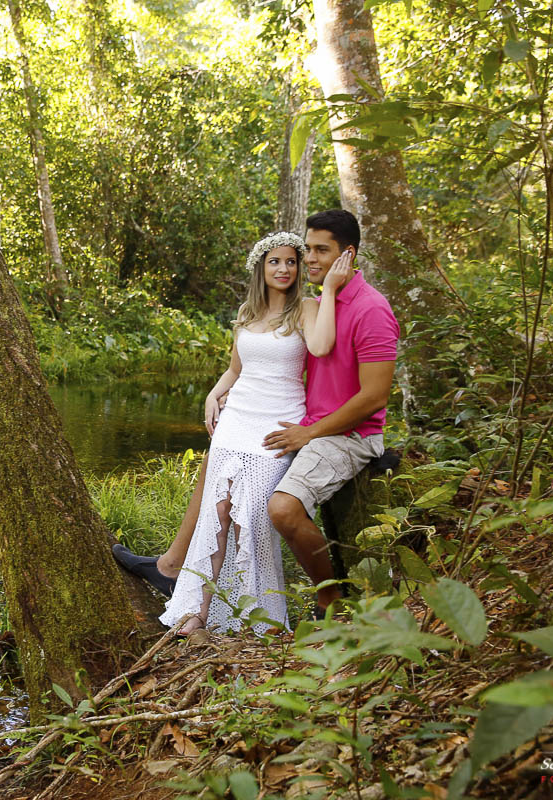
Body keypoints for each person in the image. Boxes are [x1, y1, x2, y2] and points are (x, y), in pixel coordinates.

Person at [113, 209, 400, 623]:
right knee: (216, 464)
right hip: (303, 422)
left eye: (319, 251)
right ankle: (174, 571)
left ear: (347, 255)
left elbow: (374, 396)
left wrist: (308, 432)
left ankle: (327, 602)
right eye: (308, 250)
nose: (309, 259)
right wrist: (219, 394)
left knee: (278, 508)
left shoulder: (366, 308)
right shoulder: (318, 302)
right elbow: (250, 365)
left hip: (343, 432)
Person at [153, 230, 352, 635]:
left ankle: (257, 622)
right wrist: (213, 394)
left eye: (291, 261)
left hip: (276, 425)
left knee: (253, 520)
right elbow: (236, 369)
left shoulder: (306, 308)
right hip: (237, 420)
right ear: (261, 267)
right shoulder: (247, 312)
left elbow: (320, 347)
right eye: (275, 261)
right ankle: (196, 612)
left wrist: (330, 289)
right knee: (218, 513)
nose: (284, 269)